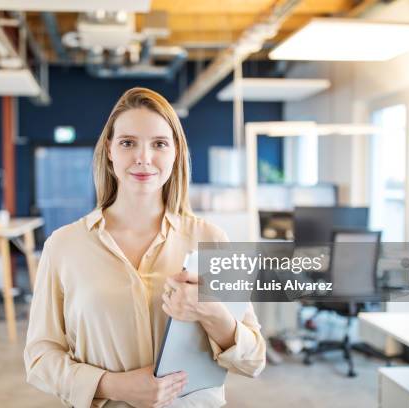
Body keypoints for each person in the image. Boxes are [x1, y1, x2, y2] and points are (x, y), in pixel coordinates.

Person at [24, 87, 266, 408]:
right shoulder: (64, 245)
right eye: (128, 143)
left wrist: (213, 314)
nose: (143, 158)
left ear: (175, 152)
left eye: (159, 144)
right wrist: (113, 385)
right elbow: (40, 358)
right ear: (110, 150)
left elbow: (254, 360)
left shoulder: (211, 239)